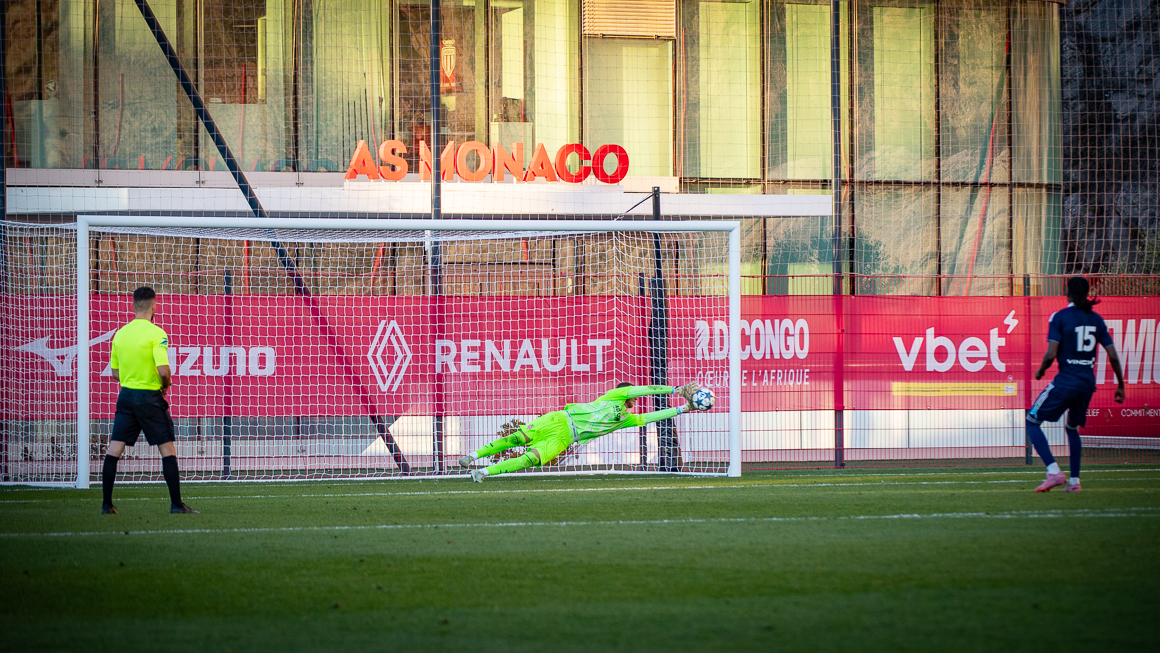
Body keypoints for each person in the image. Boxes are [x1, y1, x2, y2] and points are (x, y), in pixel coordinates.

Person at [459, 382, 705, 482]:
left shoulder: (626, 419)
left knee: (529, 459)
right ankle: (473, 456)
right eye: (633, 396)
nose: (636, 399)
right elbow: (645, 390)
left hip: (566, 438)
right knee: (516, 438)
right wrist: (676, 390)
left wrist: (682, 409)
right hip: (558, 419)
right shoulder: (615, 395)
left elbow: (650, 417)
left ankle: (483, 472)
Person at [102, 286, 198, 514]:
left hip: (126, 395)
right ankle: (176, 505)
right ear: (154, 306)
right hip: (149, 397)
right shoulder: (157, 333)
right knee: (167, 449)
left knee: (114, 449)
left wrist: (132, 379)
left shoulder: (120, 334)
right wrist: (164, 386)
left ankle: (107, 505)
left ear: (133, 306)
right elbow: (164, 371)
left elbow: (115, 373)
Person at [1028, 277, 1125, 493]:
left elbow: (1051, 353)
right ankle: (1074, 483)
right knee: (1072, 427)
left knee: (1032, 421)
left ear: (1067, 293)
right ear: (1087, 292)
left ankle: (1053, 472)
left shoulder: (1060, 317)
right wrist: (1120, 385)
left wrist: (1041, 370)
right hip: (1086, 385)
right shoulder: (1096, 320)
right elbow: (1113, 355)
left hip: (1066, 381)